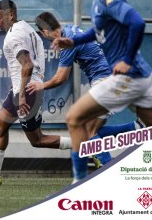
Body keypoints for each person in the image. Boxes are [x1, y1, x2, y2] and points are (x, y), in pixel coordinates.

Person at [51, 0, 152, 183]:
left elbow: (137, 22)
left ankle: (79, 185)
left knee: (75, 118)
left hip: (128, 77)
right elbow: (98, 31)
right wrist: (74, 41)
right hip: (140, 76)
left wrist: (127, 58)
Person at [0, 0, 72, 186]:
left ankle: (84, 145)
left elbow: (27, 64)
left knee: (37, 140)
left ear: (11, 15)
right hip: (21, 89)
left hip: (26, 93)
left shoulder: (14, 36)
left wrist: (23, 95)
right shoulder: (26, 28)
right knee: (1, 125)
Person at [30, 11, 145, 168]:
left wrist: (40, 85)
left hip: (107, 81)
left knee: (85, 129)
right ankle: (136, 128)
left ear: (45, 32)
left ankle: (109, 169)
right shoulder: (72, 29)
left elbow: (60, 78)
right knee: (91, 130)